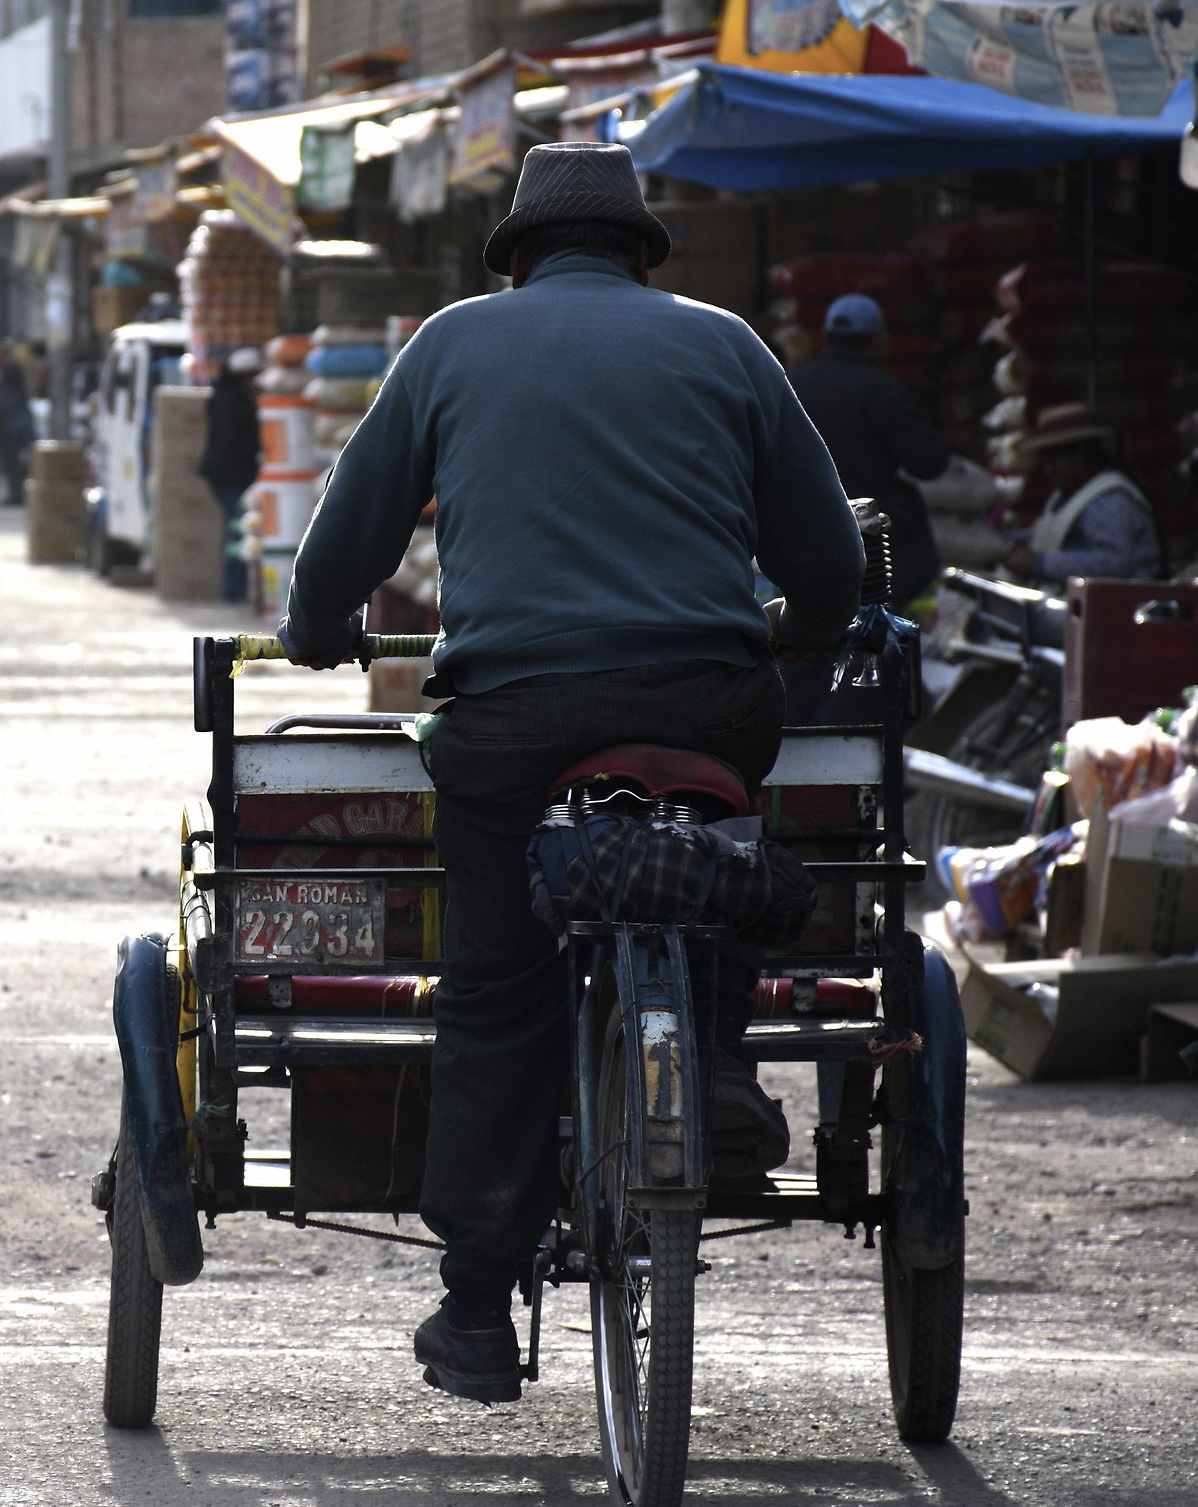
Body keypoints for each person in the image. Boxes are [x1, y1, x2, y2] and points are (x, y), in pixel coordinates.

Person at [278, 142, 862, 1405]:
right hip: (707, 706)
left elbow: (349, 534)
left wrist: (317, 627)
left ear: (521, 253)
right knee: (709, 855)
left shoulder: (450, 346)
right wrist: (805, 623)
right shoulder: (726, 346)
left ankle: (479, 1308)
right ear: (643, 251)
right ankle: (709, 1057)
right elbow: (828, 563)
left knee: (496, 990)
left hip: (512, 719)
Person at [790, 294, 952, 604]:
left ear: (825, 336)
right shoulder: (883, 390)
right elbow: (930, 463)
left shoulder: (793, 382)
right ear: (878, 341)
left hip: (800, 528)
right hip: (871, 534)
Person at [1002, 403, 1160, 582]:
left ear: (1079, 454)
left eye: (1055, 459)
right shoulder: (1066, 494)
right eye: (1046, 460)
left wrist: (1039, 563)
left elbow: (1113, 562)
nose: (1049, 469)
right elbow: (1052, 532)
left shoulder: (1110, 498)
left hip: (1116, 606)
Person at [200, 347, 263, 531]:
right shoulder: (231, 400)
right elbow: (231, 438)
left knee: (237, 524)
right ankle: (234, 561)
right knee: (239, 526)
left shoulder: (229, 396)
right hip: (229, 475)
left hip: (229, 473)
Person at [0, 354, 34, 504]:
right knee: (12, 464)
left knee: (18, 463)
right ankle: (17, 494)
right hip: (7, 428)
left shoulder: (8, 376)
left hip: (15, 426)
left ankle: (20, 495)